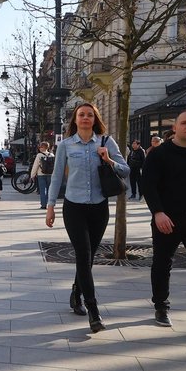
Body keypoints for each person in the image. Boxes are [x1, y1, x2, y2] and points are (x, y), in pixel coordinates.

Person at [46, 102, 129, 333]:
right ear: (75, 119)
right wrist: (50, 206)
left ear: (95, 119)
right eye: (81, 115)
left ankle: (76, 292)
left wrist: (108, 160)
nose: (85, 118)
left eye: (89, 115)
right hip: (73, 208)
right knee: (83, 254)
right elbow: (55, 178)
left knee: (88, 257)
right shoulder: (65, 145)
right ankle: (93, 311)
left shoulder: (106, 141)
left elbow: (126, 170)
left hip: (99, 207)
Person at [140, 109, 186, 331]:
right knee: (162, 263)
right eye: (184, 123)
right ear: (174, 128)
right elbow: (148, 184)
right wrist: (158, 212)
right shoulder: (159, 154)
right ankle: (161, 306)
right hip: (167, 220)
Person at [29, 141, 55, 210]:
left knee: (43, 190)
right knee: (50, 190)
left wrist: (32, 175)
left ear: (44, 147)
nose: (39, 148)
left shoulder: (39, 155)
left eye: (40, 146)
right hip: (50, 174)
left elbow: (35, 166)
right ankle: (50, 204)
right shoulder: (52, 155)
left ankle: (43, 205)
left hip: (41, 175)